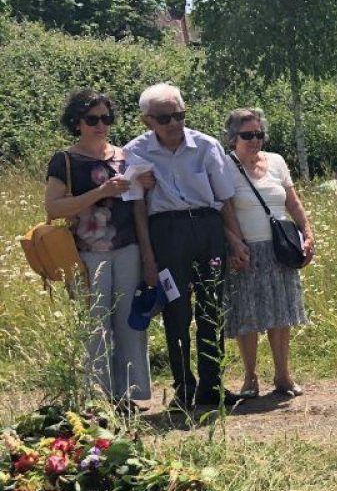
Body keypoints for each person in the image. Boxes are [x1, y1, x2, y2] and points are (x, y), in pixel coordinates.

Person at [126, 83, 244, 411]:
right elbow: (137, 208)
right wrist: (148, 257)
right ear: (147, 121)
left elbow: (224, 199)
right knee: (177, 310)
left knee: (212, 308)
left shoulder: (206, 145)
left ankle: (212, 384)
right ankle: (184, 387)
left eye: (179, 115)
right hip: (166, 231)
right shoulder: (135, 151)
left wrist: (234, 239)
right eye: (165, 118)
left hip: (207, 228)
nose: (175, 123)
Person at [42, 89, 151, 407]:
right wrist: (101, 191)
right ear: (77, 122)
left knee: (128, 321)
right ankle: (96, 396)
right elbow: (54, 207)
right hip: (85, 253)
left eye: (106, 118)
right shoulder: (65, 160)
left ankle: (128, 394)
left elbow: (137, 207)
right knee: (95, 323)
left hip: (127, 247)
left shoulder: (124, 157)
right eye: (92, 119)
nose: (100, 125)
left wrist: (144, 187)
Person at [222, 108, 313, 398]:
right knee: (247, 316)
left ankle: (283, 376)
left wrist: (307, 234)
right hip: (245, 251)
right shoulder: (225, 165)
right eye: (247, 135)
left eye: (259, 134)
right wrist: (235, 243)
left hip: (280, 249)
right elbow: (223, 210)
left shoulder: (276, 162)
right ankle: (250, 378)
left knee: (281, 314)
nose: (255, 140)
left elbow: (293, 203)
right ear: (233, 137)